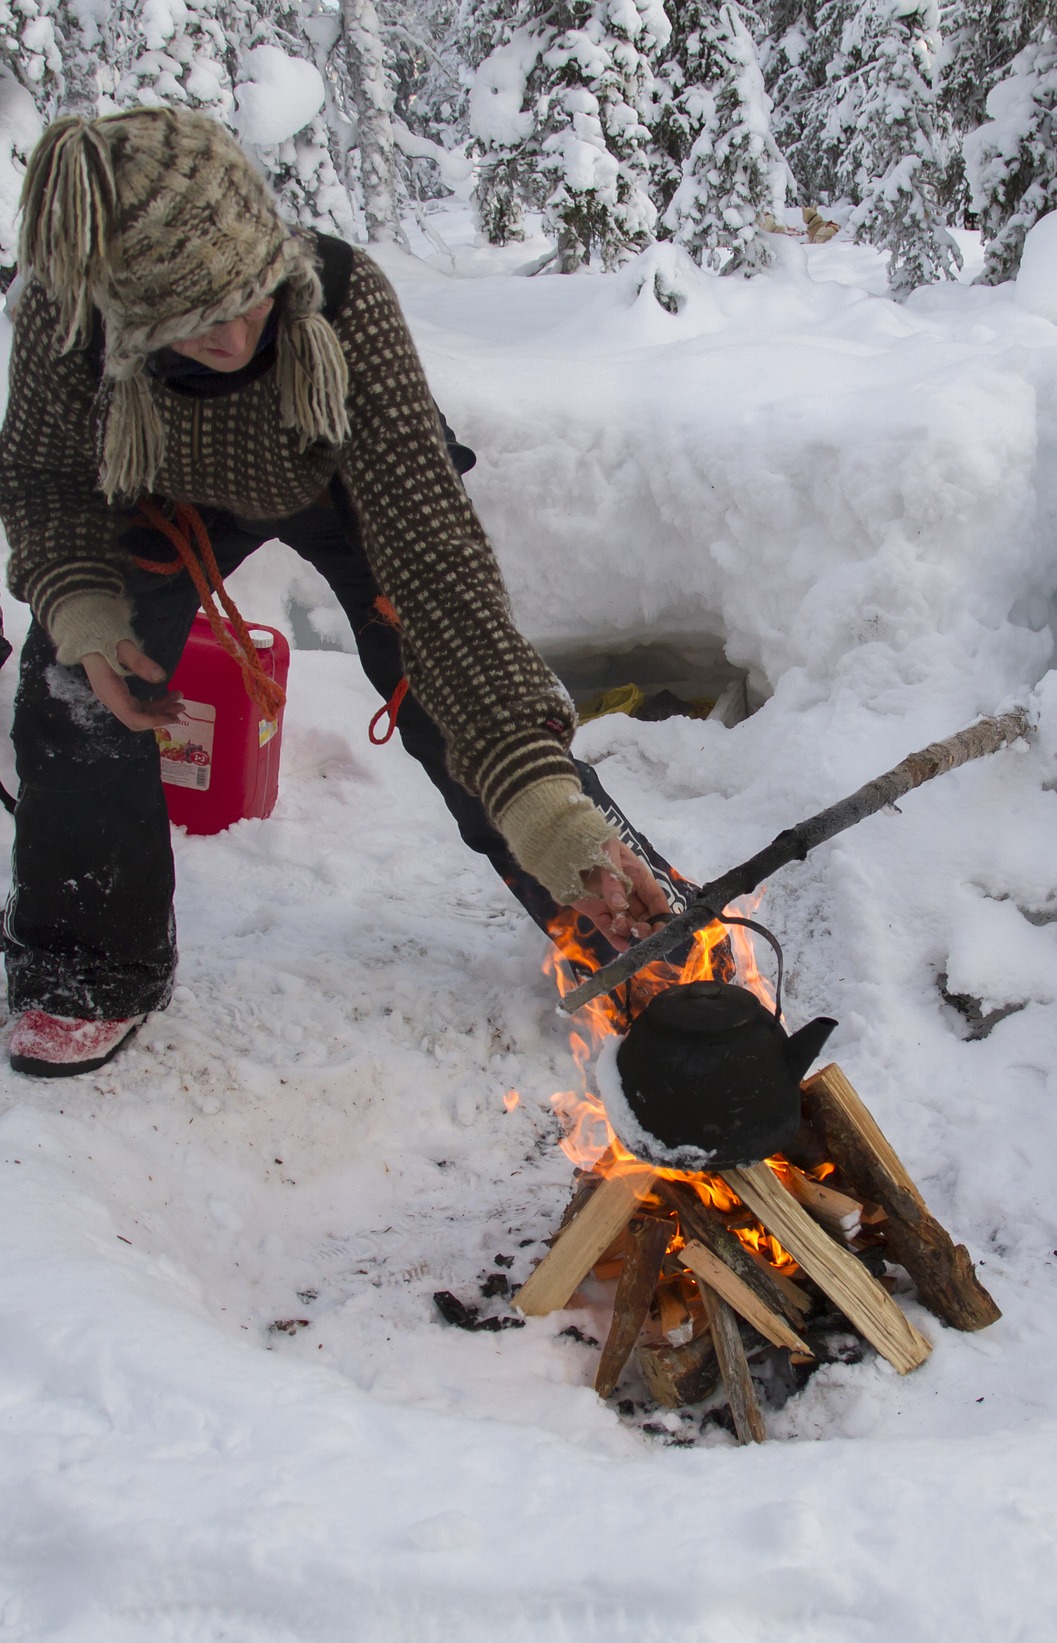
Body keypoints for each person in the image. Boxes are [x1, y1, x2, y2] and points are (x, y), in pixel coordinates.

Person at [0, 107, 671, 1077]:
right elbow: (43, 480)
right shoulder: (72, 320)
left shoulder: (341, 300)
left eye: (249, 298)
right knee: (72, 684)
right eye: (193, 324)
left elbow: (441, 573)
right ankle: (92, 968)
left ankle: (605, 896)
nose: (234, 334)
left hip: (339, 474)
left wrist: (547, 811)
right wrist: (89, 617)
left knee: (438, 676)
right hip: (159, 493)